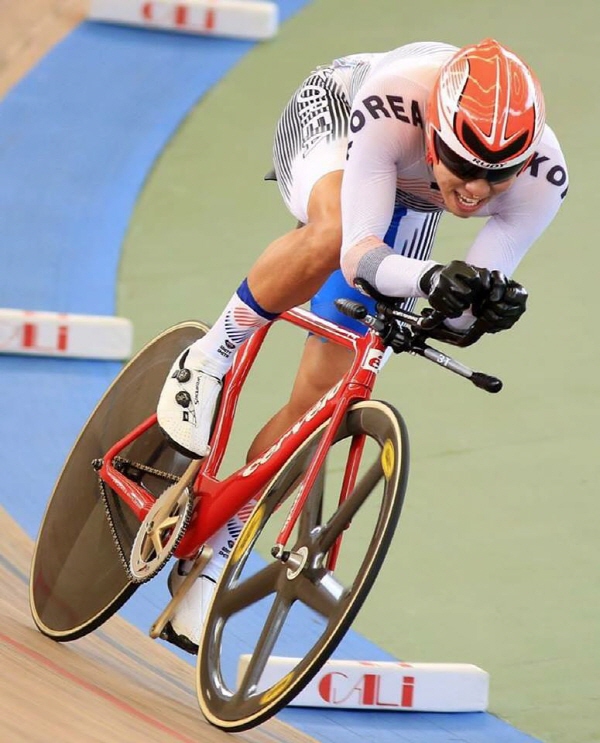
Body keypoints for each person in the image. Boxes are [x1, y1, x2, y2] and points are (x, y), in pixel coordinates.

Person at [156, 38, 568, 652]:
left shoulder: (542, 181)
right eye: (467, 168)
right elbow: (359, 255)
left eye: (497, 176)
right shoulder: (397, 99)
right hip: (343, 119)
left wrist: (482, 311)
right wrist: (428, 277)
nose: (478, 191)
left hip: (410, 189)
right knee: (332, 234)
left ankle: (216, 554)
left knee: (318, 404)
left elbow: (451, 316)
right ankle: (212, 353)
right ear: (438, 138)